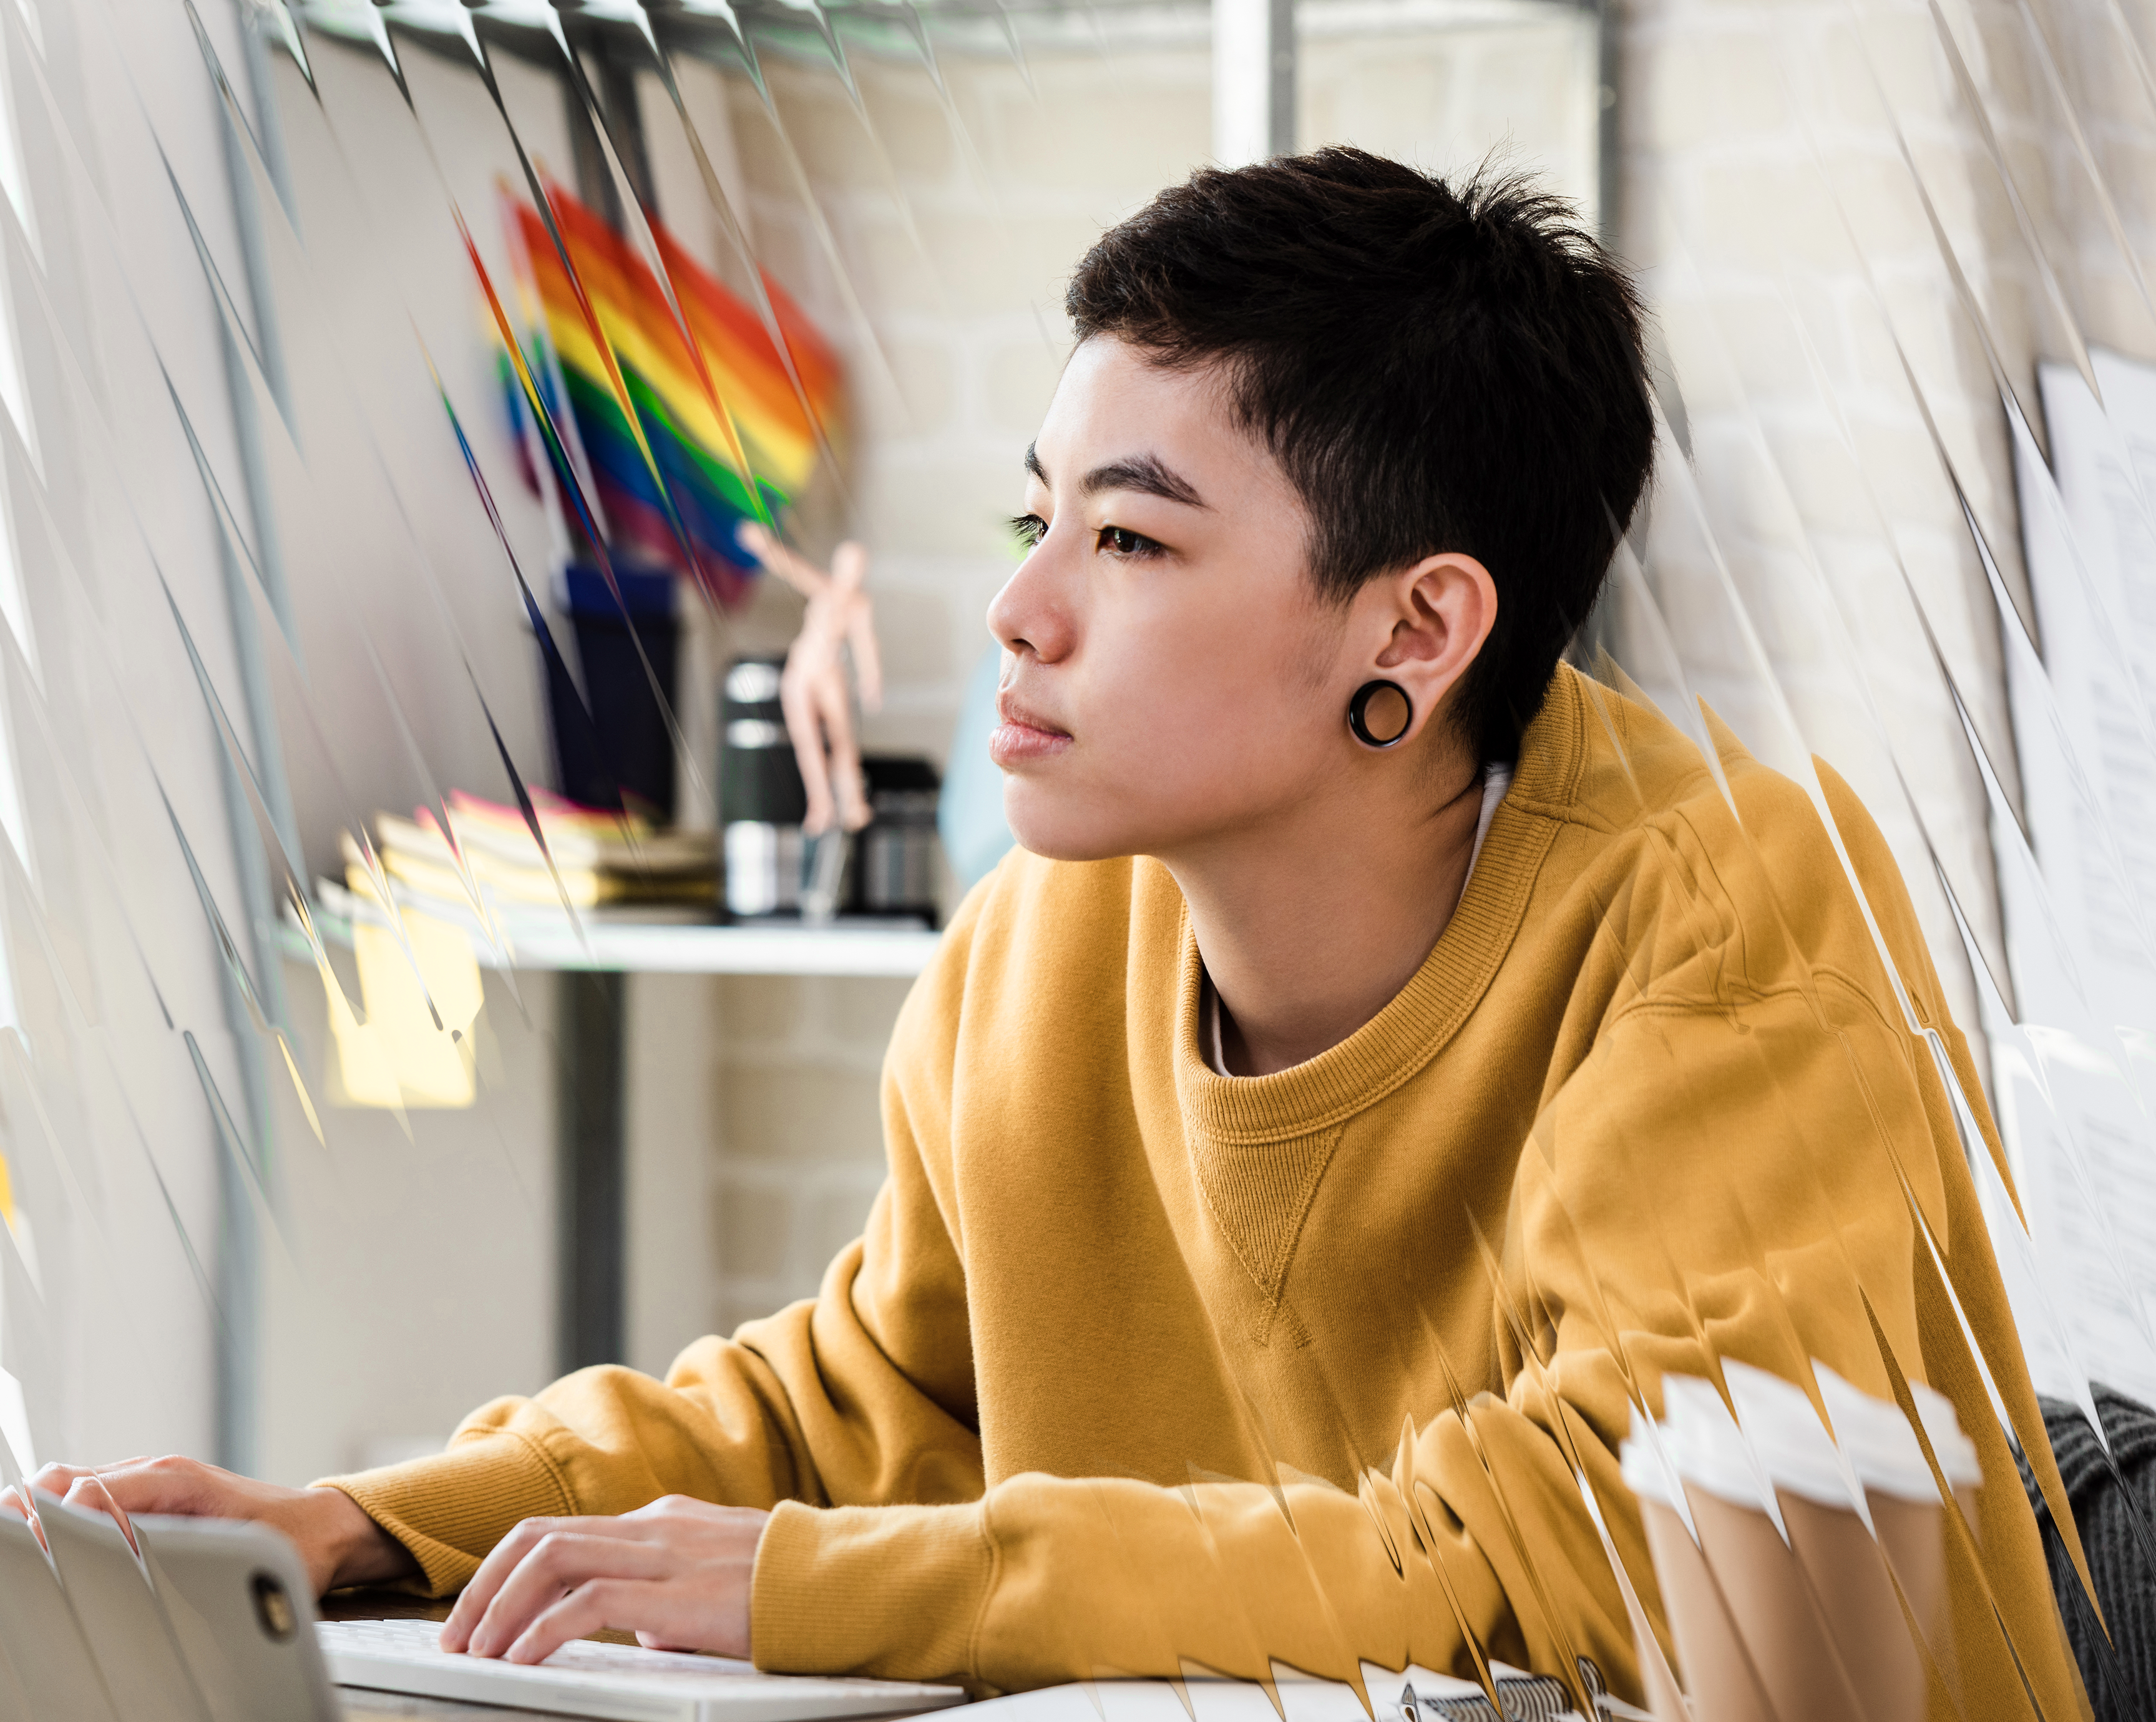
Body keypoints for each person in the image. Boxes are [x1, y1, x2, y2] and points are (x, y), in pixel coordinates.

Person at [6, 148, 2085, 1716]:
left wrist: (832, 1585)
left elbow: (1568, 1556)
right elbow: (865, 1396)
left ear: (1415, 628)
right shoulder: (1041, 942)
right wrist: (362, 1526)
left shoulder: (1734, 911)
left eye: (1131, 535)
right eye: (1036, 516)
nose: (1020, 604)